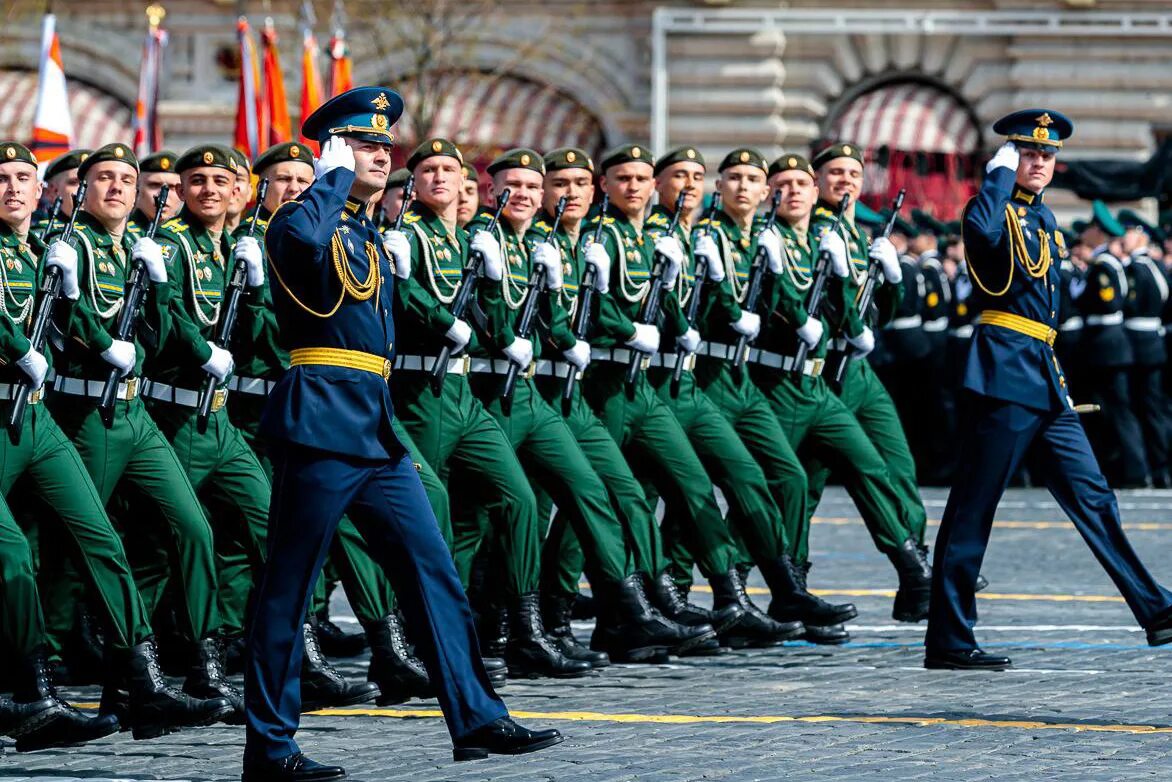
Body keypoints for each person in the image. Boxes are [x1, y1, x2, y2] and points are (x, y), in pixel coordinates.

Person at [243, 87, 561, 781]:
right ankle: (270, 748)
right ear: (331, 151)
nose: (382, 156)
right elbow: (299, 245)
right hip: (322, 422)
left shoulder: (362, 229)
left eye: (386, 147)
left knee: (434, 571)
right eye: (365, 144)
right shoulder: (304, 218)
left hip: (376, 426)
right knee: (289, 590)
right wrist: (326, 178)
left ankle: (475, 716)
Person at [925, 109, 1172, 671]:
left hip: (1044, 371)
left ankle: (1156, 608)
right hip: (1004, 373)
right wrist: (994, 178)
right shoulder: (991, 208)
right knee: (973, 510)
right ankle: (948, 638)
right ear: (1010, 157)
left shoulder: (1044, 221)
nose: (1039, 162)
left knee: (1094, 495)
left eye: (1048, 155)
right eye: (1028, 152)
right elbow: (984, 243)